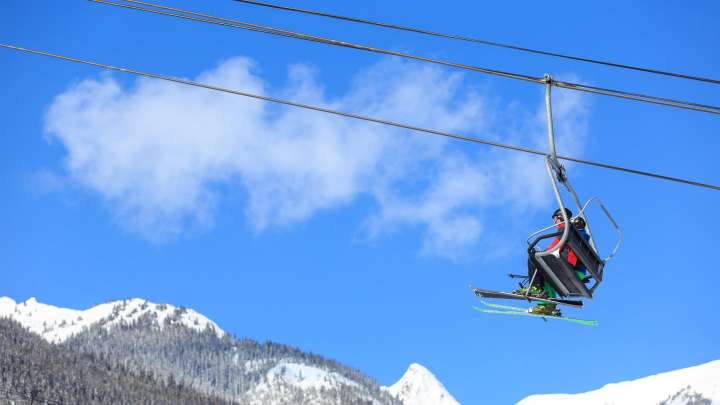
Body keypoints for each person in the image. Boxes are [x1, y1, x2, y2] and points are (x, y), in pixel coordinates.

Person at [515, 208, 576, 316]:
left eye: (555, 219)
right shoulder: (572, 230)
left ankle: (536, 288)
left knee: (533, 258)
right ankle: (548, 305)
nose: (555, 222)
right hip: (573, 266)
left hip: (567, 266)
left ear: (561, 217)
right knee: (546, 275)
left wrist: (541, 253)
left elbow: (556, 246)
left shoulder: (565, 229)